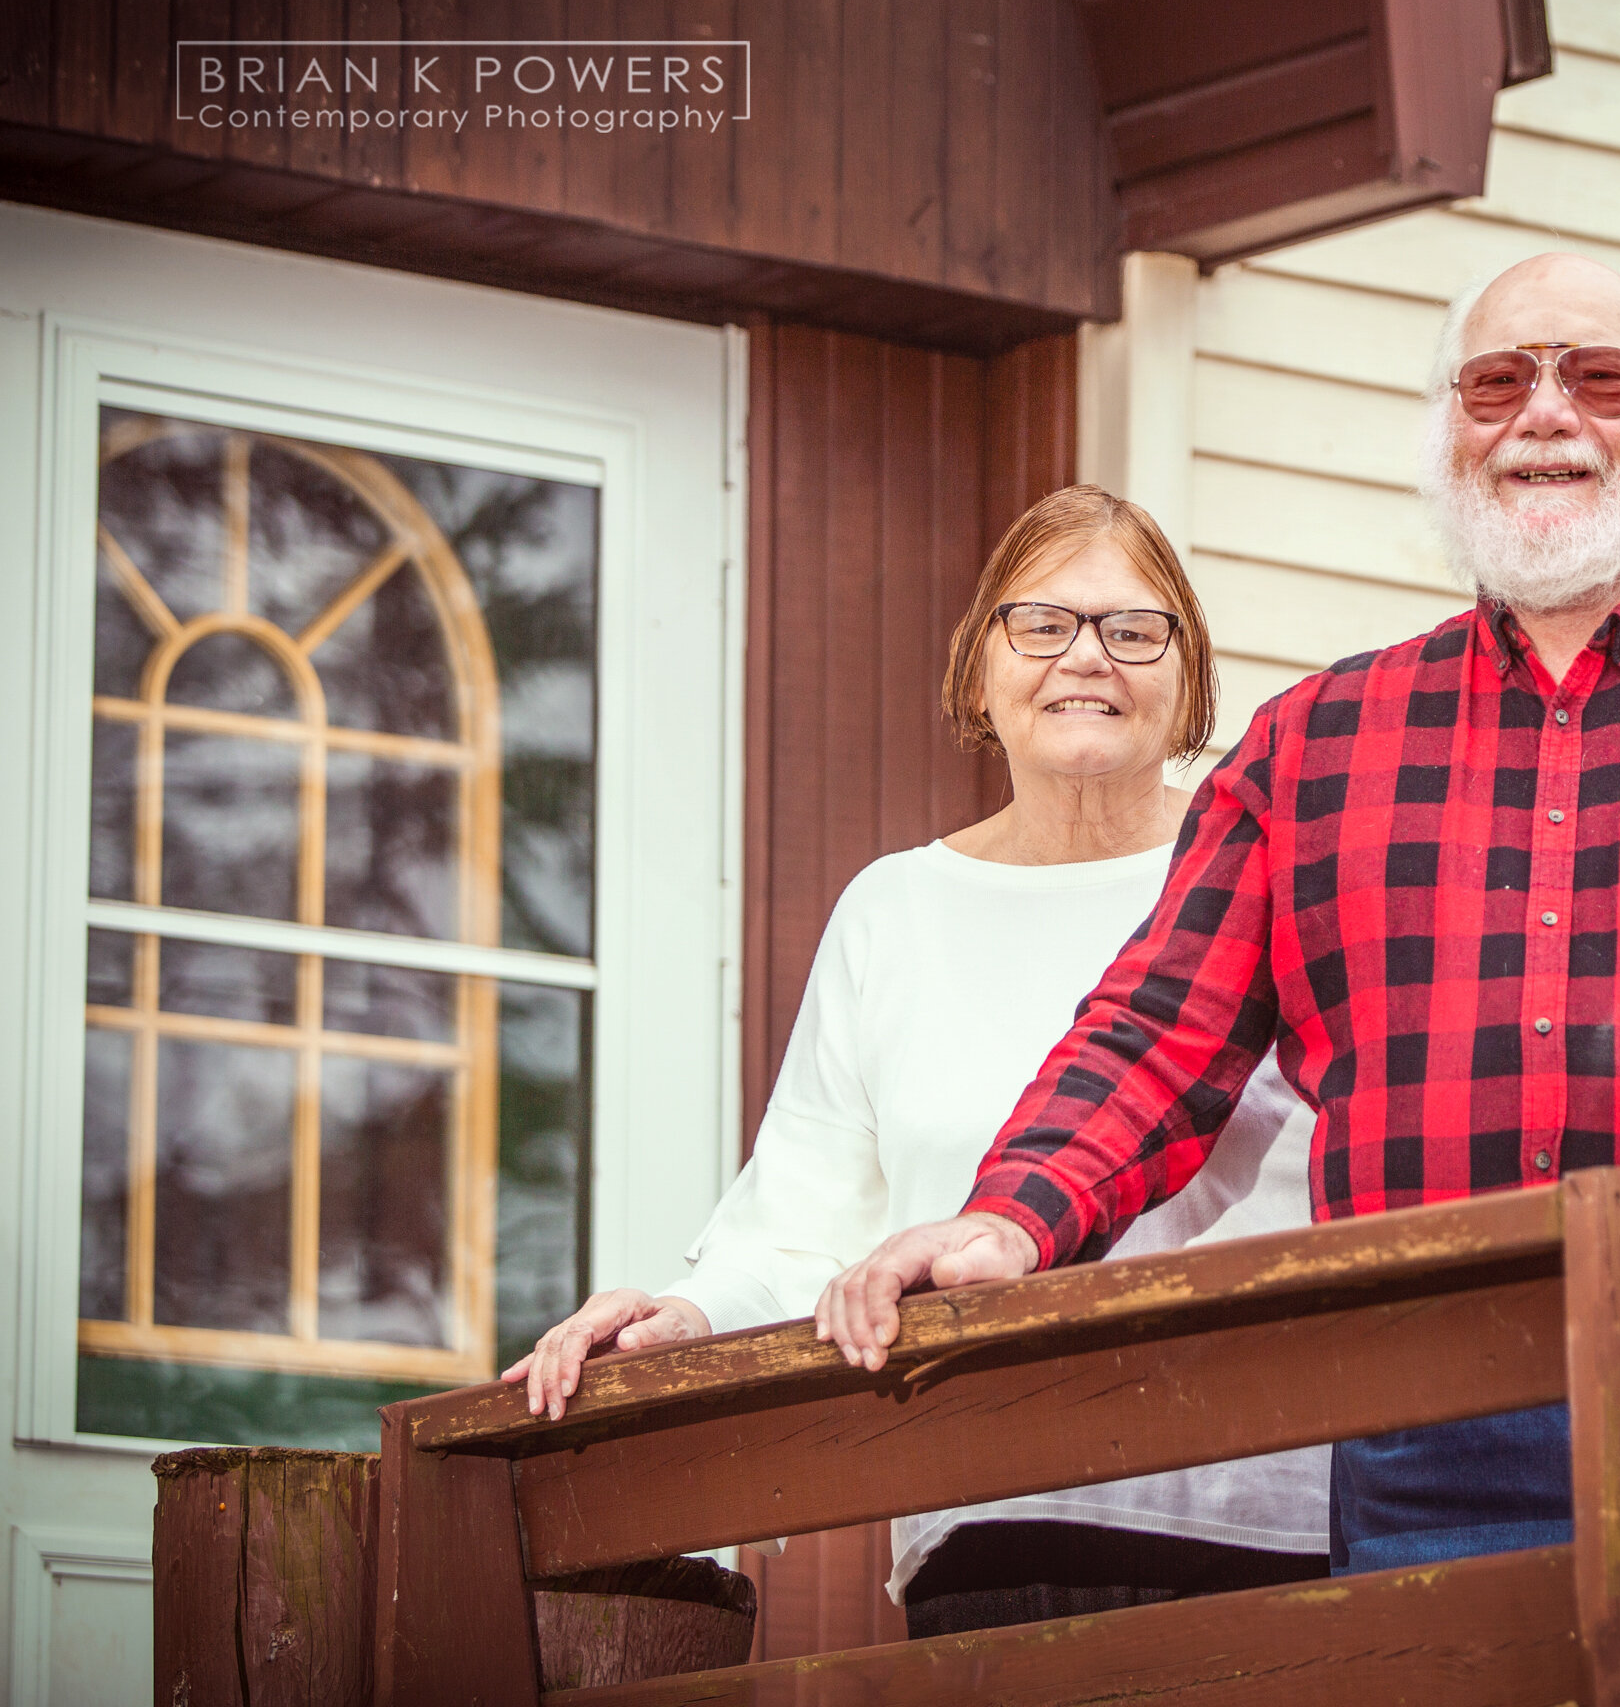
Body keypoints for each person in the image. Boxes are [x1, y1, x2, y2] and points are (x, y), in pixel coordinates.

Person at [816, 254, 1620, 1705]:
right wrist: (1010, 1220)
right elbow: (1153, 1036)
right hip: (1431, 1430)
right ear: (1447, 427)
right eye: (1498, 381)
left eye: (1597, 378)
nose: (1543, 415)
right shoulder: (1316, 744)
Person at [506, 485, 1329, 1635]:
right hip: (989, 1511)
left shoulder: (1271, 874)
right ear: (978, 667)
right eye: (1041, 624)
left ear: (1187, 675)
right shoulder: (895, 910)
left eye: (1135, 630)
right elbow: (805, 1225)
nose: (1087, 658)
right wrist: (682, 1317)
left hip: (1263, 1512)